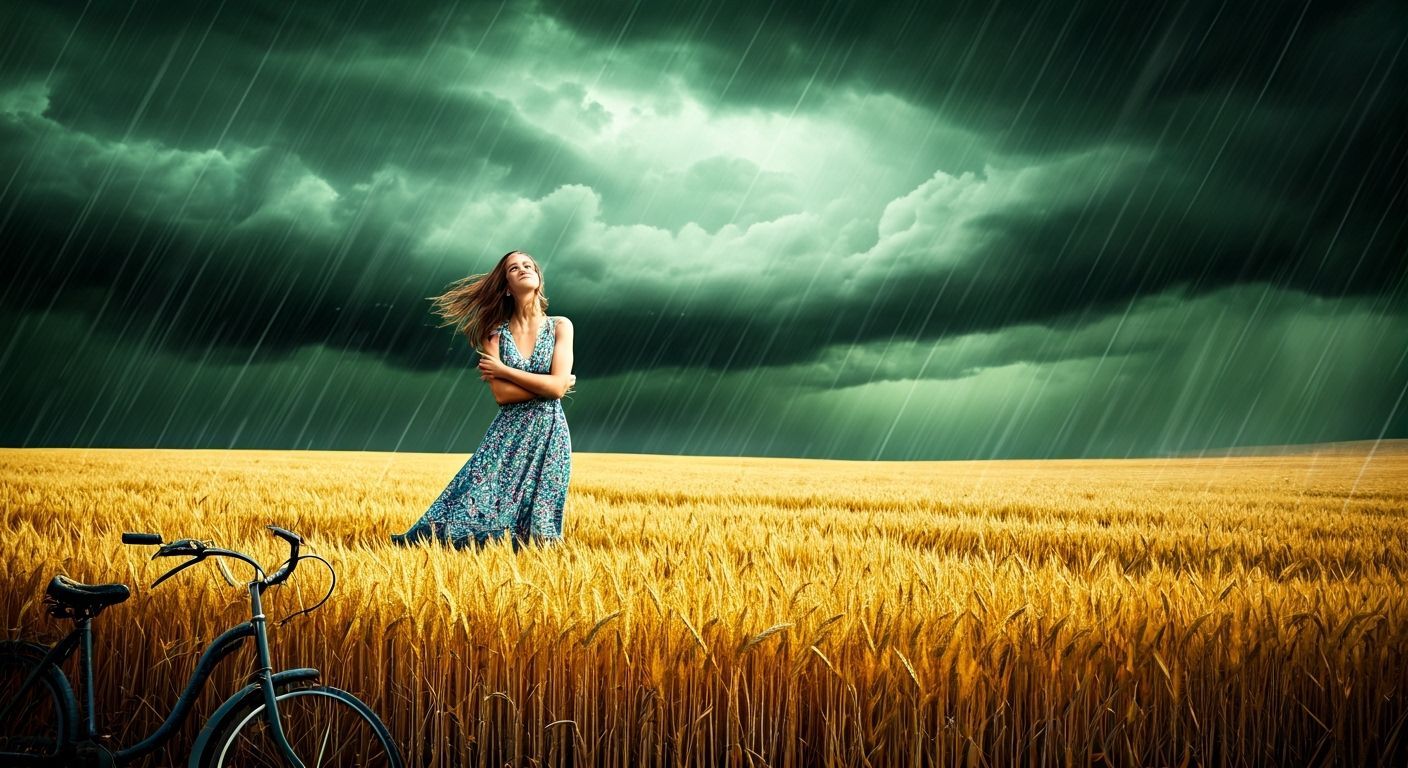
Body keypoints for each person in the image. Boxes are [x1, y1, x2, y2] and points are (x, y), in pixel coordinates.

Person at [391, 250, 575, 549]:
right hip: (506, 433)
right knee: (478, 498)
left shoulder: (560, 326)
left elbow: (553, 390)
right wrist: (554, 383)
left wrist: (505, 369)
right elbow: (504, 396)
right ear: (506, 286)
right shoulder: (494, 334)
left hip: (549, 435)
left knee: (539, 516)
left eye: (528, 265)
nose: (523, 269)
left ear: (539, 278)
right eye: (514, 269)